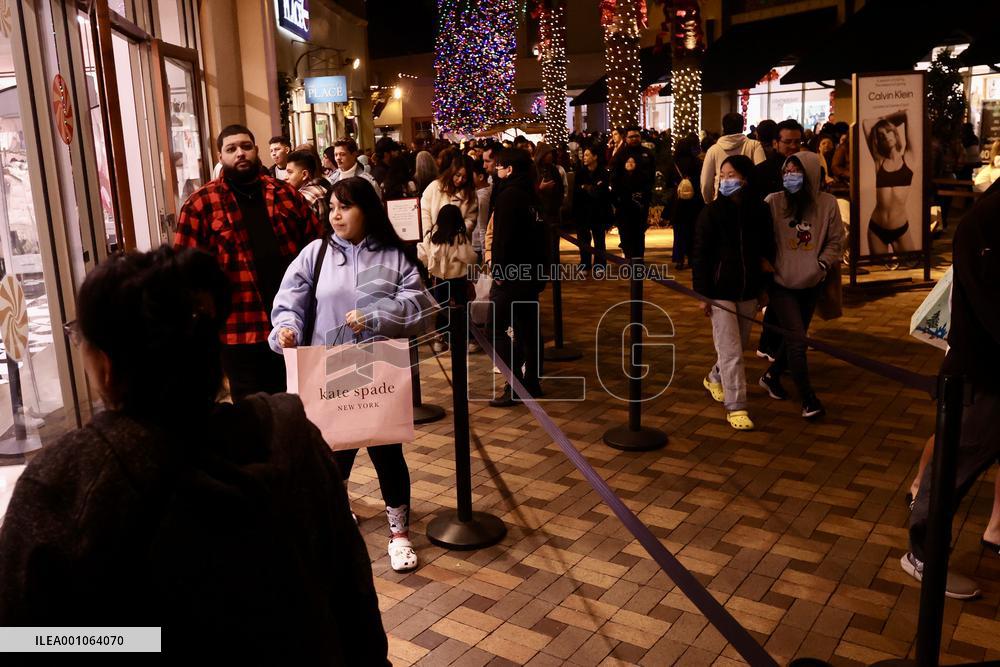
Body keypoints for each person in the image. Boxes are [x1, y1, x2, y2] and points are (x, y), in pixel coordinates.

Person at [0, 247, 390, 663]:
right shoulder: (292, 435)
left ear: (107, 367)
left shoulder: (64, 483)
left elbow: (23, 639)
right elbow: (354, 602)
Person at [271, 178, 432, 574]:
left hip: (379, 368)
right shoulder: (316, 254)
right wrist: (285, 330)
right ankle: (336, 521)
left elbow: (422, 306)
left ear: (367, 209)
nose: (336, 215)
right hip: (330, 370)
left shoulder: (394, 256)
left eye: (346, 207)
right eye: (331, 208)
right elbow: (289, 300)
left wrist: (378, 315)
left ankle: (399, 534)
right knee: (332, 456)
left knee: (387, 454)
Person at [901, 182, 1000, 600]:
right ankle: (923, 552)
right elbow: (989, 307)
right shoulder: (987, 222)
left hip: (986, 371)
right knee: (955, 461)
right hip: (982, 374)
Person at [174, 124, 322, 400]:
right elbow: (184, 275)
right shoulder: (200, 205)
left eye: (246, 146)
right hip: (239, 330)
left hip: (296, 324)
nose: (240, 153)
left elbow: (319, 250)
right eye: (231, 149)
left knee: (303, 407)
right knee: (254, 416)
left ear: (256, 150)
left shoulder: (286, 195)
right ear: (220, 157)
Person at [758, 152, 844, 419]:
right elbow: (758, 237)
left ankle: (772, 376)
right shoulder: (773, 202)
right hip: (781, 283)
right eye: (787, 171)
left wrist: (821, 265)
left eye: (796, 171)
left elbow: (836, 240)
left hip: (812, 282)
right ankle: (808, 400)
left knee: (796, 337)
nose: (790, 177)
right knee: (798, 341)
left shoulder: (828, 204)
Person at [693, 155, 775, 431]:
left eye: (732, 175)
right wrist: (703, 295)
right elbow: (700, 256)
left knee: (736, 345)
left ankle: (715, 378)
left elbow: (767, 249)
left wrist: (764, 288)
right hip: (720, 290)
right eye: (723, 175)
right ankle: (737, 406)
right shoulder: (711, 213)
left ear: (746, 179)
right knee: (731, 351)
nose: (726, 180)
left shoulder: (760, 211)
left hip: (749, 287)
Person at [488, 149, 548, 406]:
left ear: (509, 169)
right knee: (527, 328)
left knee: (494, 329)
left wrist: (499, 272)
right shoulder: (532, 194)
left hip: (513, 276)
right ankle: (531, 382)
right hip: (531, 274)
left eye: (499, 165)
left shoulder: (509, 195)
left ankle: (516, 382)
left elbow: (503, 238)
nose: (495, 169)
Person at [418, 204, 477, 353]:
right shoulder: (460, 237)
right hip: (458, 278)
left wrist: (430, 267)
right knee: (462, 308)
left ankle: (441, 339)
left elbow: (423, 254)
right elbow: (470, 257)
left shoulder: (432, 236)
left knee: (442, 309)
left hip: (440, 279)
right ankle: (467, 339)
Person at [862, 110, 916, 254]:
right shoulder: (879, 161)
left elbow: (906, 114)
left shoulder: (909, 158)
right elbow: (866, 123)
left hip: (900, 228)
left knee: (910, 269)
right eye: (881, 135)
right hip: (876, 228)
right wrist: (883, 122)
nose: (886, 137)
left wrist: (885, 120)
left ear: (895, 132)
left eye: (888, 131)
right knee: (879, 273)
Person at [611, 127, 656, 259]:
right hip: (624, 201)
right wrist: (617, 197)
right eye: (631, 137)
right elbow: (614, 177)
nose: (634, 139)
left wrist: (646, 192)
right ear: (626, 138)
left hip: (641, 200)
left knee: (639, 232)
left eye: (637, 136)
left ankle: (638, 259)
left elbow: (651, 176)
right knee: (625, 231)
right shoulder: (620, 155)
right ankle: (629, 256)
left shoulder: (647, 153)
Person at [701, 112, 766, 203]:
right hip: (748, 201)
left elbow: (705, 183)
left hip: (720, 202)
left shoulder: (713, 150)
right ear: (742, 126)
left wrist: (709, 202)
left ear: (723, 127)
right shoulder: (754, 145)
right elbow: (762, 174)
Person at [573, 146, 611, 273]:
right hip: (583, 211)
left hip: (598, 211)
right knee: (583, 239)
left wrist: (587, 188)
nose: (584, 157)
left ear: (595, 157)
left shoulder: (603, 172)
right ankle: (585, 263)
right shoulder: (580, 172)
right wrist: (587, 188)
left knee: (599, 239)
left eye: (587, 155)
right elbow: (577, 191)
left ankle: (600, 265)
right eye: (584, 155)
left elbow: (601, 192)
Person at [669, 135, 705, 271]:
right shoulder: (697, 162)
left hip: (678, 202)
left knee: (679, 232)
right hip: (694, 202)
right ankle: (691, 258)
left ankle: (679, 259)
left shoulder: (674, 163)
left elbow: (668, 181)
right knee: (692, 231)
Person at [420, 154, 479, 235]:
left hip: (458, 243)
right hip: (432, 240)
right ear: (452, 171)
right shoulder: (435, 187)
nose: (460, 180)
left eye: (464, 177)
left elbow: (471, 220)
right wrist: (428, 232)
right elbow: (424, 211)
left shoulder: (470, 195)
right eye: (458, 175)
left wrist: (457, 235)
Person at [755, 119, 803, 197]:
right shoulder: (761, 171)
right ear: (775, 143)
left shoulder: (806, 168)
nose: (793, 146)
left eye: (797, 142)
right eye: (788, 142)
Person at [285, 149, 331, 225]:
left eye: (290, 172)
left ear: (304, 175)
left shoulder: (305, 197)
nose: (285, 177)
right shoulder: (320, 185)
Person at [471, 159, 492, 264]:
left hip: (478, 244)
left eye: (472, 175)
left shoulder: (482, 197)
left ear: (480, 177)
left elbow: (482, 225)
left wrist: (485, 252)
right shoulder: (490, 188)